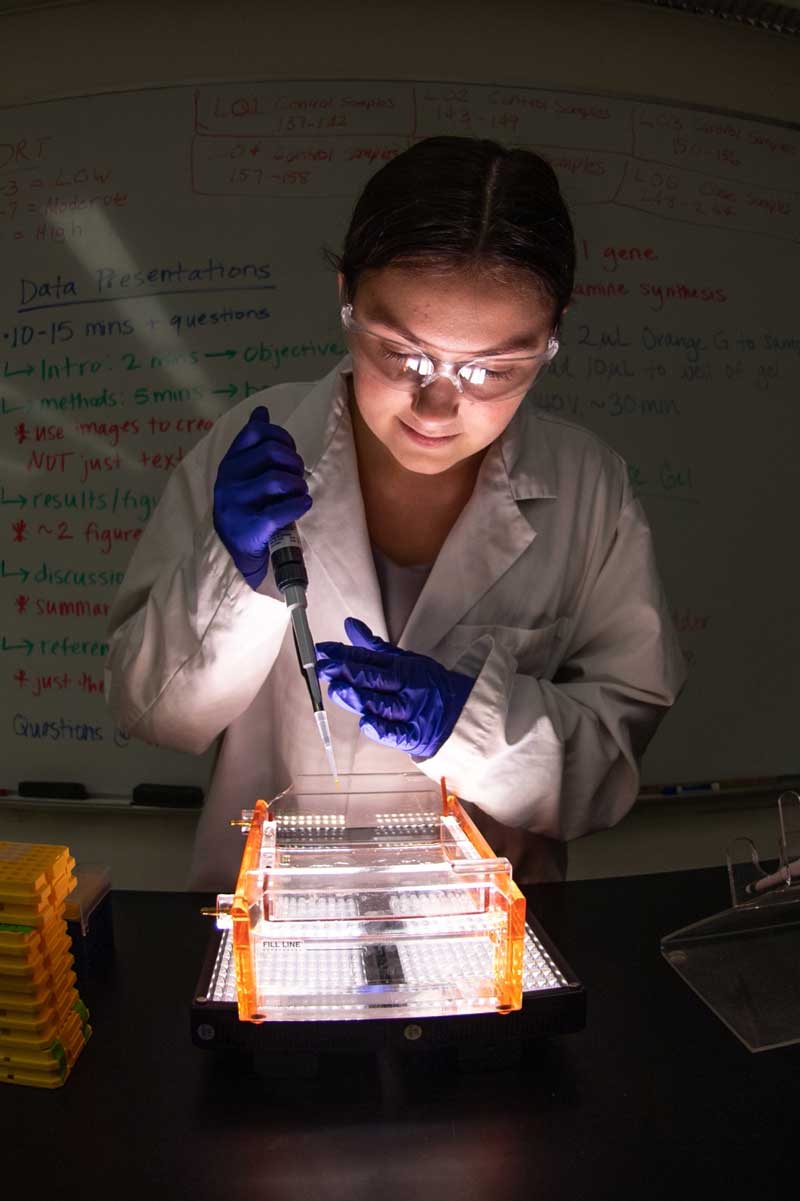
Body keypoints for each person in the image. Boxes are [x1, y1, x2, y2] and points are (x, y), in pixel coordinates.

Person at [105, 136, 685, 890]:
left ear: (552, 336)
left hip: (487, 932)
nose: (439, 404)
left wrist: (468, 724)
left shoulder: (588, 489)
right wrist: (233, 576)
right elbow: (151, 714)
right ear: (347, 296)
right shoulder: (253, 450)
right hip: (276, 920)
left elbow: (613, 758)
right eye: (403, 354)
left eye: (492, 369)